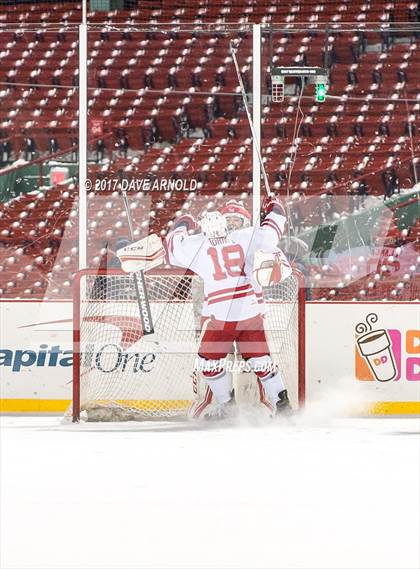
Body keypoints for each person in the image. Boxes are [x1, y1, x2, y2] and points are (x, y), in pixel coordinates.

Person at [165, 197, 292, 420]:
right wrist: (274, 207)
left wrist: (184, 223)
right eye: (230, 219)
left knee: (208, 363)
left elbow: (173, 247)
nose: (233, 223)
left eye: (237, 219)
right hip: (251, 310)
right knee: (261, 360)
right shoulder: (248, 236)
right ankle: (282, 406)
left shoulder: (198, 245)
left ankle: (227, 405)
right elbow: (274, 228)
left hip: (221, 316)